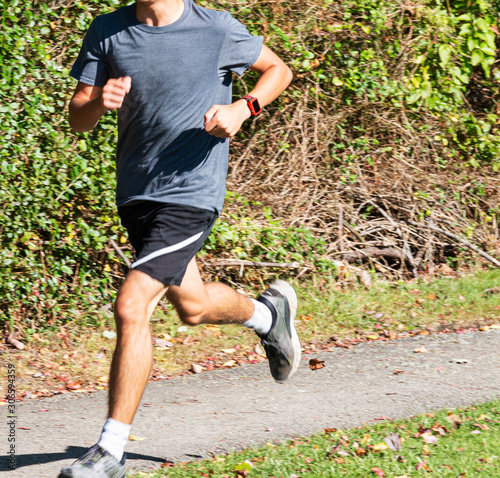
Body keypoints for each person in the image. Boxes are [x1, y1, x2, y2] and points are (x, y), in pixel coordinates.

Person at [59, 0, 299, 476]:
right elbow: (78, 118)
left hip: (191, 191)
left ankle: (110, 452)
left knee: (132, 305)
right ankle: (268, 315)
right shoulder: (108, 31)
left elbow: (278, 70)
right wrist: (97, 101)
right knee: (192, 307)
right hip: (136, 192)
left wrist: (243, 107)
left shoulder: (214, 29)